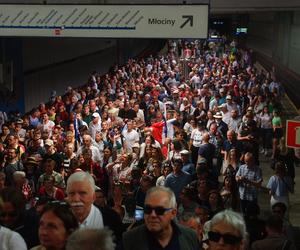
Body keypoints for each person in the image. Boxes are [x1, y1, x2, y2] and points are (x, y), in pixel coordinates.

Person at [122, 186, 200, 250]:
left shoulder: (190, 237)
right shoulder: (129, 239)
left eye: (159, 210)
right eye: (148, 209)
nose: (153, 215)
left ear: (173, 213)